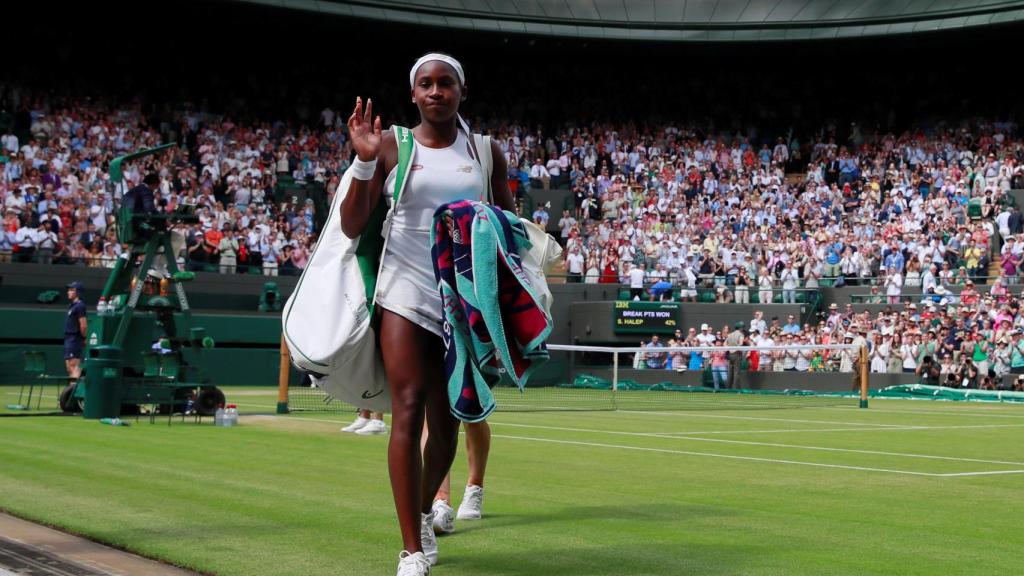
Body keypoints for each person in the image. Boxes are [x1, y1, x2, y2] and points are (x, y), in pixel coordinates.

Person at [339, 53, 512, 575]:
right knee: (407, 406)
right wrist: (365, 160)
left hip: (460, 303)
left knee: (447, 425)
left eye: (446, 84)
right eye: (426, 85)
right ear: (413, 94)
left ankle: (421, 509)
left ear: (461, 91)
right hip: (402, 292)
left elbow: (508, 228)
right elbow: (351, 225)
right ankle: (412, 548)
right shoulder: (392, 144)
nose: (436, 92)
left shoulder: (485, 153)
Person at [64, 281, 87, 390]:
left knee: (74, 366)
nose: (69, 292)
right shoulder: (71, 306)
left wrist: (84, 338)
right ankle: (71, 390)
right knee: (69, 367)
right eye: (69, 290)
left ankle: (73, 394)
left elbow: (83, 325)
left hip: (75, 338)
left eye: (72, 290)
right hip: (68, 338)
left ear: (78, 292)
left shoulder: (80, 306)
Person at [725, 321, 745, 389]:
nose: (743, 328)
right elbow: (741, 343)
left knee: (730, 372)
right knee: (737, 373)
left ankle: (728, 388)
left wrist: (730, 350)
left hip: (730, 355)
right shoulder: (741, 335)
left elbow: (725, 344)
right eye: (742, 327)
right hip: (737, 355)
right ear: (740, 328)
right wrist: (734, 350)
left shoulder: (730, 335)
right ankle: (736, 389)